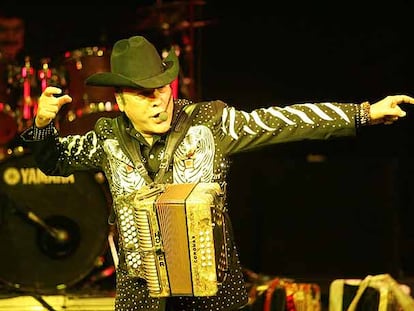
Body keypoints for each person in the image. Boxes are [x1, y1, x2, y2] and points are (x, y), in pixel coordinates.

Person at [20, 35, 414, 311]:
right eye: (142, 94)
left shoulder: (211, 122)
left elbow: (282, 121)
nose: (157, 101)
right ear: (121, 101)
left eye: (161, 88)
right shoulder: (107, 136)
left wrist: (363, 112)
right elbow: (53, 159)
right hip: (140, 298)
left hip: (215, 297)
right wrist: (41, 124)